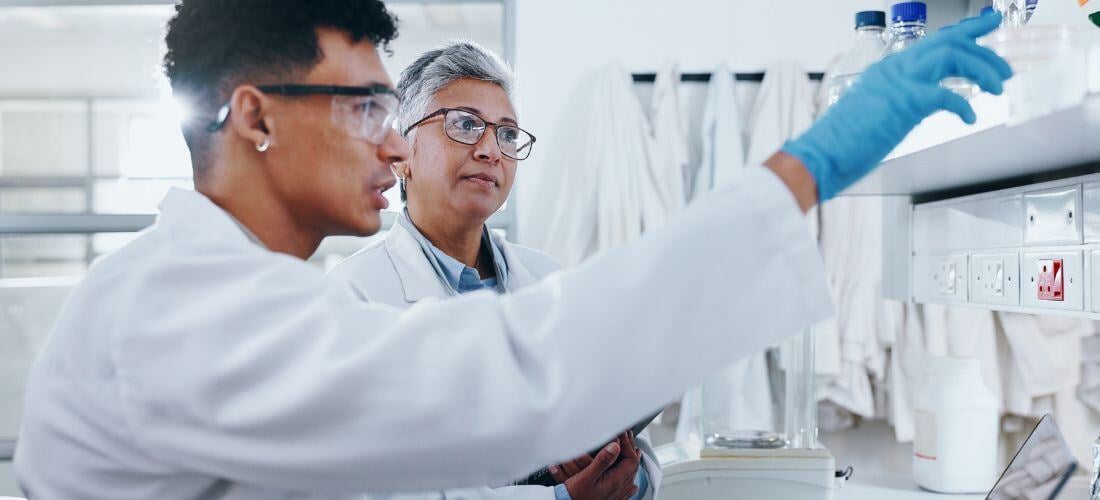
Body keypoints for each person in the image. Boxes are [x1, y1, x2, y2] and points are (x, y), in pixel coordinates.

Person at [12, 0, 1013, 498]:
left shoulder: (231, 292)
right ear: (254, 117)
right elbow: (504, 377)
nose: (395, 139)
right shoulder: (178, 310)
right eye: (366, 104)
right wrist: (803, 168)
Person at [326, 41, 660, 500]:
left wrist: (623, 478)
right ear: (402, 153)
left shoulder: (551, 281)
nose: (490, 150)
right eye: (465, 125)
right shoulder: (351, 297)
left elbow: (636, 446)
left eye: (507, 134)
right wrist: (559, 498)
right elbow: (363, 487)